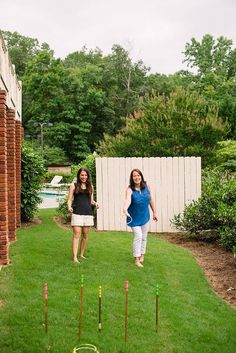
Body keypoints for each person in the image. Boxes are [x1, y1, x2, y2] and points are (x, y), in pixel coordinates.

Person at [123, 169, 158, 268]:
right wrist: (125, 208)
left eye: (138, 175)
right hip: (134, 218)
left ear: (141, 176)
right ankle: (136, 259)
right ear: (132, 178)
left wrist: (154, 212)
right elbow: (128, 200)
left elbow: (150, 199)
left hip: (144, 216)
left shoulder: (147, 187)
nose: (136, 177)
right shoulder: (130, 189)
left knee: (144, 237)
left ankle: (142, 254)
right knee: (138, 236)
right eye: (134, 176)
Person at [67, 168, 99, 263]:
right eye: (82, 175)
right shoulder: (74, 185)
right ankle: (75, 257)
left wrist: (95, 203)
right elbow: (69, 199)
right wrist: (69, 207)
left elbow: (91, 201)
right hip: (77, 213)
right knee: (77, 234)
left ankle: (81, 254)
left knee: (85, 235)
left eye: (85, 175)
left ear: (88, 176)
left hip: (88, 213)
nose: (84, 177)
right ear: (79, 175)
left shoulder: (90, 186)